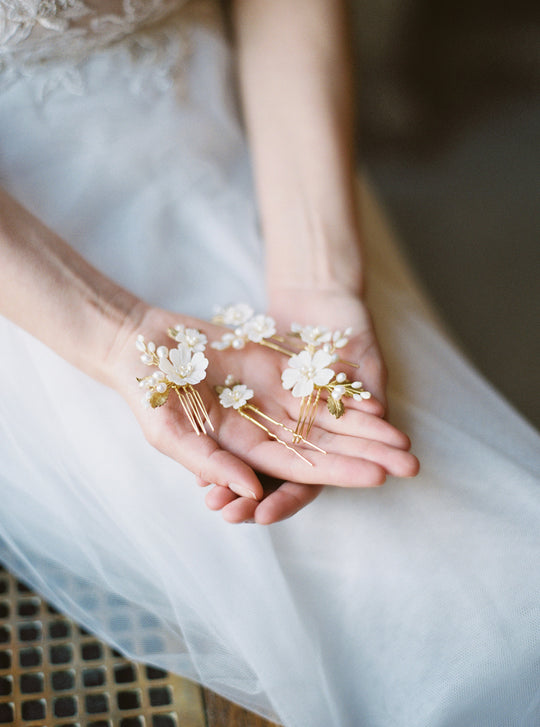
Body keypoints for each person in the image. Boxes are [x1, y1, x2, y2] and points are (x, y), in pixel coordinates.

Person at [0, 1, 538, 726]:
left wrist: (318, 275)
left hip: (249, 138)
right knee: (444, 613)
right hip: (30, 275)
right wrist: (119, 335)